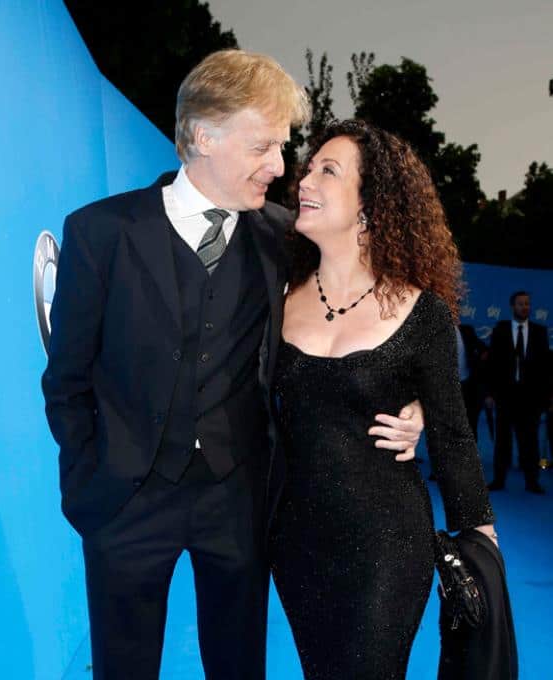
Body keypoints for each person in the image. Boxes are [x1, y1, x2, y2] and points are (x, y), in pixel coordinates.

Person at [41, 52, 424, 680]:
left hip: (239, 500)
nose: (280, 167)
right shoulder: (101, 232)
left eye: (282, 147)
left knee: (240, 666)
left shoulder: (287, 238)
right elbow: (66, 379)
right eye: (263, 146)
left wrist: (415, 399)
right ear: (203, 136)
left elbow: (389, 310)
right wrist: (90, 484)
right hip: (124, 501)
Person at [268, 119, 497, 680]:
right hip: (295, 540)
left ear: (370, 206)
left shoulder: (424, 314)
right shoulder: (276, 296)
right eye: (308, 168)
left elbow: (453, 435)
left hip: (388, 541)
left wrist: (483, 544)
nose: (305, 181)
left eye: (328, 171)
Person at [486, 291, 550, 494]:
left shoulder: (540, 332)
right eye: (521, 304)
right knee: (502, 441)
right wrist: (490, 393)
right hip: (505, 396)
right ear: (512, 306)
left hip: (530, 398)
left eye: (527, 304)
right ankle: (499, 480)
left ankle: (532, 482)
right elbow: (492, 364)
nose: (525, 307)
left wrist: (546, 397)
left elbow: (545, 368)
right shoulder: (501, 330)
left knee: (529, 441)